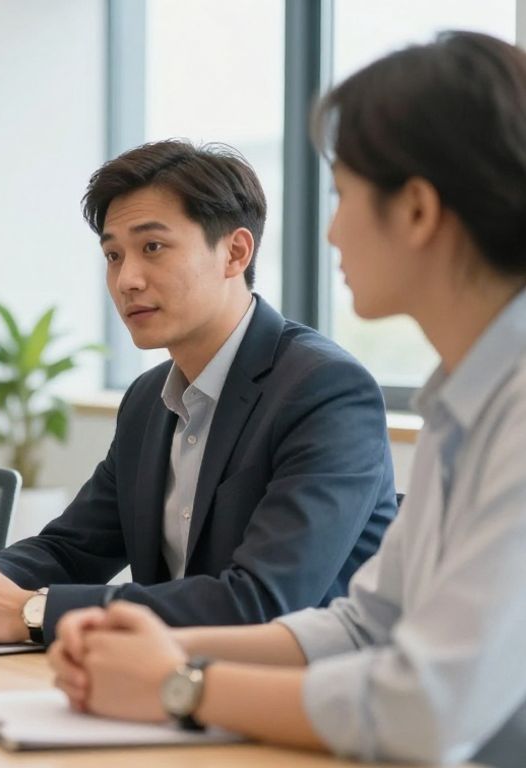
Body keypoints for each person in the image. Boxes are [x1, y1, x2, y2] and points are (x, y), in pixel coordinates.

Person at [49, 31, 526, 767]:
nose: (330, 230)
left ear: (418, 210)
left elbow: (427, 706)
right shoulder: (459, 400)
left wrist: (181, 684)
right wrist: (142, 646)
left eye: (342, 195)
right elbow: (365, 626)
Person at [0, 140, 397, 643]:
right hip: (160, 677)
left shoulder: (325, 389)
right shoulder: (147, 399)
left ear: (235, 252)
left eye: (152, 247)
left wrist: (33, 610)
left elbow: (263, 601)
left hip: (293, 686)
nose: (126, 279)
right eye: (113, 255)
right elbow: (71, 550)